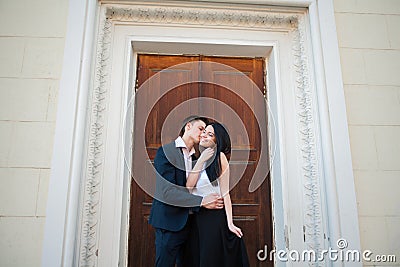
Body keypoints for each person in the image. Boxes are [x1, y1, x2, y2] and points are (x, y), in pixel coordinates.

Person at [148, 116, 224, 267]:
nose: (203, 134)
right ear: (188, 126)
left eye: (206, 131)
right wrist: (201, 202)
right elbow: (167, 192)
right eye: (201, 129)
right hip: (169, 224)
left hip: (192, 225)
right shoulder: (166, 152)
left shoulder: (197, 157)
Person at [186, 122, 250, 267]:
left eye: (210, 134)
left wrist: (230, 223)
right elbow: (188, 187)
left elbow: (226, 193)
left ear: (217, 140)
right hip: (196, 217)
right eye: (204, 132)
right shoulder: (196, 159)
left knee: (210, 260)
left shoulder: (220, 158)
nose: (205, 135)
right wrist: (201, 160)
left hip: (214, 219)